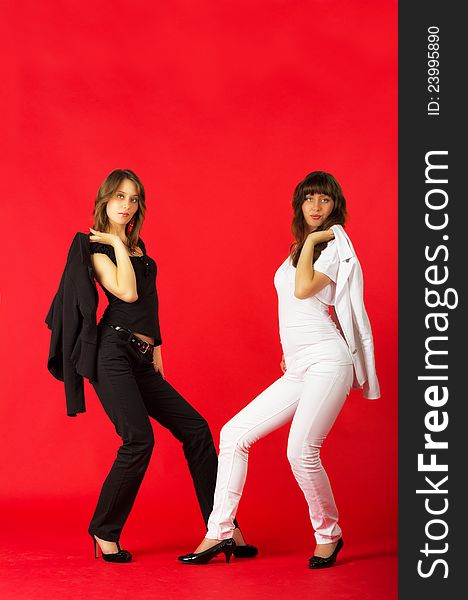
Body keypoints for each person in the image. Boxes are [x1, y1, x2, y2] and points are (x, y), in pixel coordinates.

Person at [45, 169, 256, 563]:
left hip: (141, 356)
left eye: (134, 198)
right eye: (120, 197)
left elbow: (149, 305)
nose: (127, 205)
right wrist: (114, 242)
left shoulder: (138, 248)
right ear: (105, 199)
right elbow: (125, 292)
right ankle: (103, 530)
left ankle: (222, 528)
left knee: (196, 430)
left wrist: (157, 351)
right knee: (139, 441)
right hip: (112, 354)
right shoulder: (97, 247)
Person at [177, 171, 380, 568]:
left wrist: (314, 243)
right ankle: (219, 533)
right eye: (309, 199)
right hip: (301, 363)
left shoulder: (334, 246)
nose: (316, 207)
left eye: (324, 199)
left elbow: (304, 289)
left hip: (328, 359)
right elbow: (295, 304)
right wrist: (290, 349)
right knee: (233, 433)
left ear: (334, 205)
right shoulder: (300, 248)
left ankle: (329, 534)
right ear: (299, 205)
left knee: (301, 451)